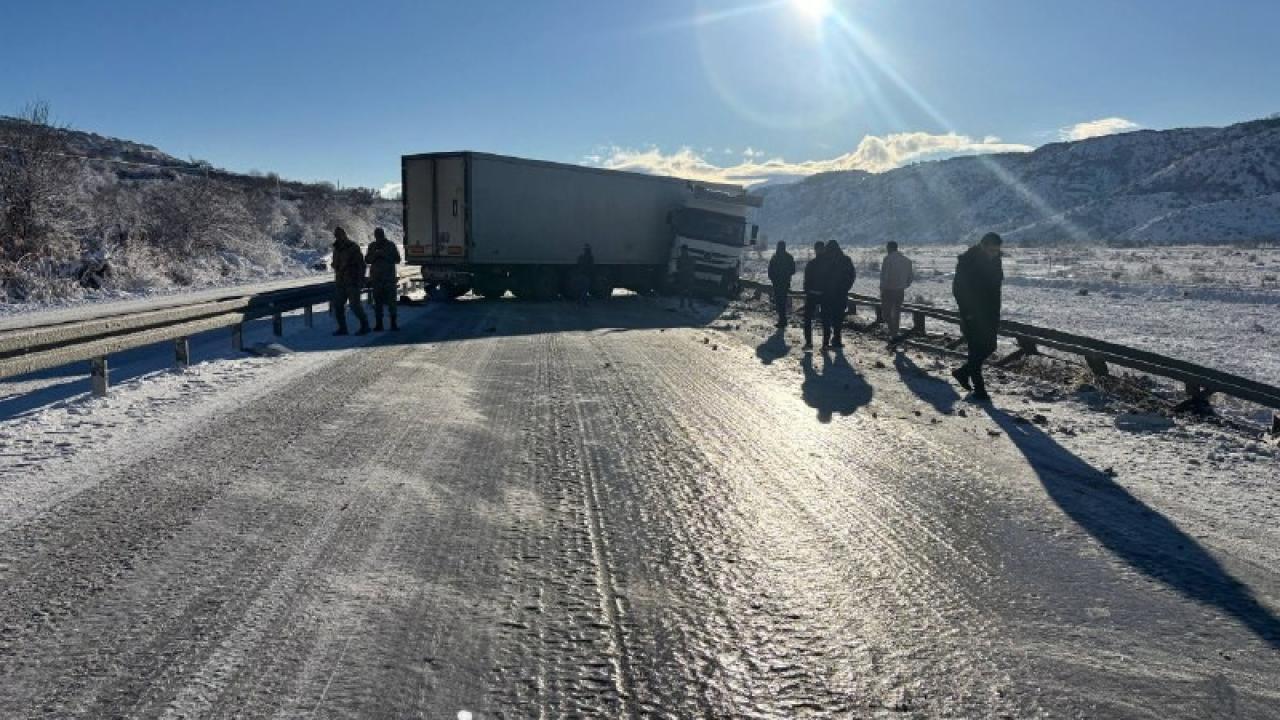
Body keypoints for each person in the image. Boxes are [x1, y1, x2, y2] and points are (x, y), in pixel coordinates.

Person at [951, 232, 1004, 402]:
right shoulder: (967, 261)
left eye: (997, 250)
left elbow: (995, 289)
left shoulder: (996, 261)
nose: (995, 253)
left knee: (989, 346)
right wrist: (968, 312)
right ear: (983, 245)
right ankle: (980, 390)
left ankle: (963, 373)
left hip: (990, 313)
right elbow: (958, 289)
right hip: (973, 314)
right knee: (975, 349)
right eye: (992, 250)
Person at [331, 226, 370, 336]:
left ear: (344, 235)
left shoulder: (353, 247)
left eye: (340, 235)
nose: (338, 237)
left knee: (355, 306)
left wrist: (361, 279)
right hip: (340, 281)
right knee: (338, 306)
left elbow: (362, 265)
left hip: (352, 281)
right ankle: (342, 328)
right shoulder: (336, 249)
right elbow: (336, 263)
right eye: (336, 235)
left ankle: (365, 325)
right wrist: (336, 266)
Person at [819, 240, 856, 350]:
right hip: (840, 294)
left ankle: (825, 341)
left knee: (826, 317)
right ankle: (837, 339)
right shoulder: (846, 260)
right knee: (838, 318)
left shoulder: (823, 260)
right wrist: (845, 288)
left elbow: (818, 277)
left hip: (826, 294)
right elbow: (852, 276)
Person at [364, 227, 401, 331]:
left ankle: (393, 324)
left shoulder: (390, 245)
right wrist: (375, 256)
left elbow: (397, 259)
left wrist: (385, 255)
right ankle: (379, 324)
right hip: (377, 279)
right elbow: (367, 260)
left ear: (383, 235)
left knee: (391, 303)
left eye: (380, 235)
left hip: (389, 278)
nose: (378, 237)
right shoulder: (372, 246)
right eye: (377, 235)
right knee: (378, 303)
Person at [880, 241, 914, 339]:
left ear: (889, 248)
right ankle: (895, 332)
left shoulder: (887, 259)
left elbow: (884, 276)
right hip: (900, 291)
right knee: (896, 312)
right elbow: (910, 277)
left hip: (888, 290)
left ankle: (893, 332)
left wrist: (883, 288)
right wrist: (904, 285)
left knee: (886, 314)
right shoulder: (906, 260)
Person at [801, 241, 826, 350]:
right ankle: (825, 344)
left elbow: (806, 279)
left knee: (807, 319)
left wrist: (807, 290)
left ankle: (808, 343)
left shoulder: (811, 263)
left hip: (812, 294)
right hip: (825, 295)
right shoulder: (829, 263)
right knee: (826, 320)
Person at [766, 241, 796, 328]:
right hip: (784, 283)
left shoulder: (775, 257)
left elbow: (770, 271)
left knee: (780, 303)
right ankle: (782, 320)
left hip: (778, 284)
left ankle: (782, 320)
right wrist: (786, 274)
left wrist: (774, 278)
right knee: (781, 302)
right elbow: (793, 270)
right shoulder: (789, 257)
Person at [676, 245, 696, 309]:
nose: (683, 251)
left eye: (684, 250)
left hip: (689, 276)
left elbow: (692, 267)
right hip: (682, 276)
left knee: (689, 292)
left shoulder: (690, 258)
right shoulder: (679, 258)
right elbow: (678, 267)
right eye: (682, 250)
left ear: (686, 250)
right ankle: (682, 304)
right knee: (681, 291)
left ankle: (690, 305)